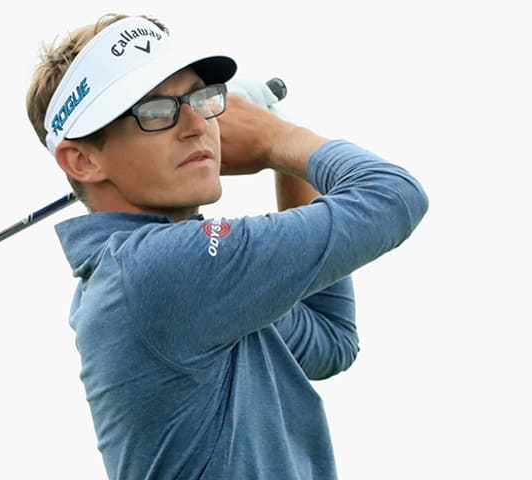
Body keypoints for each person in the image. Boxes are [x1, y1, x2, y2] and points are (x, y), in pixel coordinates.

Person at [25, 13, 428, 480]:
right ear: (83, 159)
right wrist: (276, 139)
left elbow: (329, 340)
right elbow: (394, 196)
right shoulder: (160, 271)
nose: (197, 124)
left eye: (200, 98)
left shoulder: (190, 288)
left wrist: (283, 156)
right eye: (155, 111)